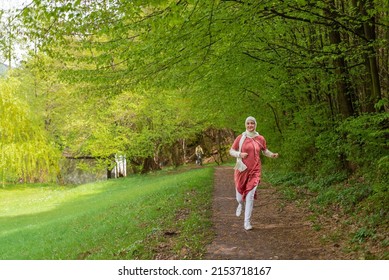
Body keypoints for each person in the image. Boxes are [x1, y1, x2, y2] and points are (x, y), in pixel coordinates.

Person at [229, 116, 279, 230]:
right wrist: (239, 154)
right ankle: (240, 204)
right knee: (240, 198)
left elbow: (264, 150)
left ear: (255, 125)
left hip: (255, 170)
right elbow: (231, 151)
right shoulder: (240, 138)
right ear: (245, 125)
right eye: (248, 123)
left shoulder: (260, 138)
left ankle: (247, 222)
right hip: (241, 170)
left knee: (250, 195)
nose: (250, 125)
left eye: (252, 123)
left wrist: (272, 155)